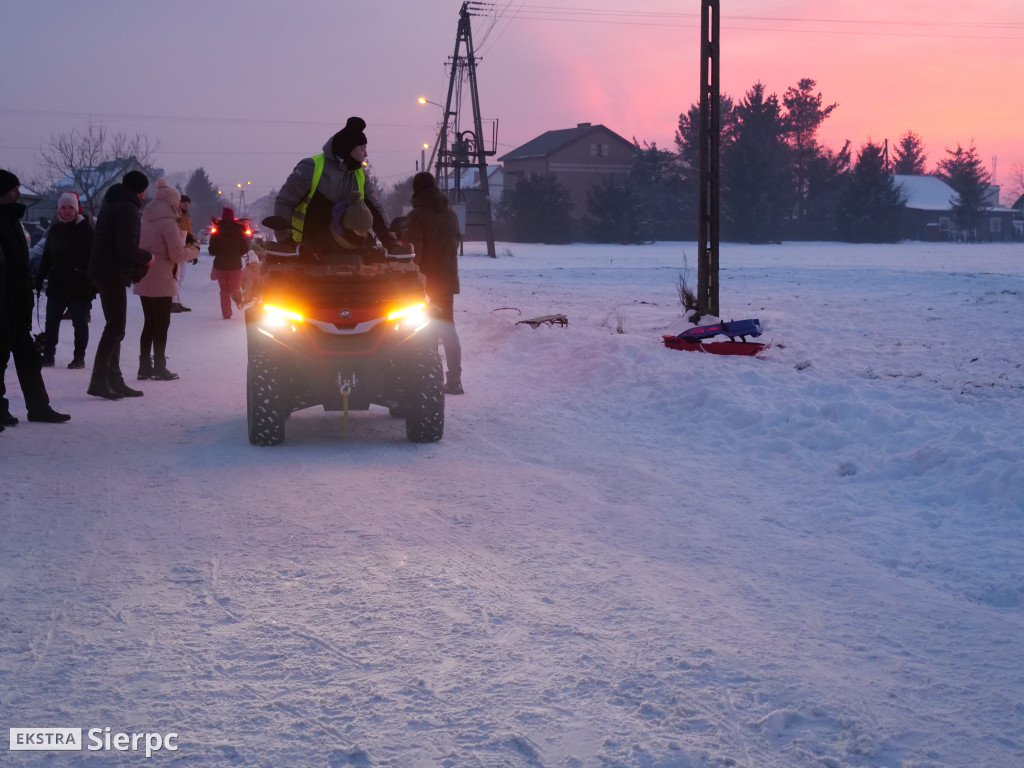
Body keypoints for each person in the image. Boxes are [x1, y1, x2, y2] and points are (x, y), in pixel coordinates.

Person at [0, 169, 71, 424]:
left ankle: (39, 407)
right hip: (4, 307)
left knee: (29, 359)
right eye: (13, 189)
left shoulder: (13, 220)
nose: (18, 193)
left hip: (17, 305)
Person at [273, 116, 396, 251]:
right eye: (362, 149)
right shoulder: (311, 168)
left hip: (352, 250)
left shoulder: (359, 175)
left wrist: (389, 239)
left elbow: (375, 208)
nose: (366, 154)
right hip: (307, 251)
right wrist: (285, 240)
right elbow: (284, 202)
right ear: (348, 149)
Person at [87, 170, 153, 400]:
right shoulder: (128, 209)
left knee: (115, 327)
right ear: (142, 190)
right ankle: (99, 380)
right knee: (115, 327)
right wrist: (147, 257)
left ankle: (114, 380)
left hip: (103, 270)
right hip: (110, 272)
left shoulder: (112, 204)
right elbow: (126, 248)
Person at [405, 171, 464, 395]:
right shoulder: (450, 214)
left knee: (423, 330)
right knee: (448, 328)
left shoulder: (416, 216)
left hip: (424, 283)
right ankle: (455, 379)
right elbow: (454, 246)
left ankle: (429, 378)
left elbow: (413, 254)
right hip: (447, 279)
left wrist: (410, 279)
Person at [135, 179, 199, 381]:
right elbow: (177, 255)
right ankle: (160, 366)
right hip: (162, 278)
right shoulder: (169, 223)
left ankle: (144, 366)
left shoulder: (146, 220)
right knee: (161, 325)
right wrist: (194, 250)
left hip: (144, 276)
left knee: (149, 323)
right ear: (173, 203)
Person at [34, 191, 96, 369]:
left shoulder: (86, 229)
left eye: (71, 207)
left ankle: (79, 357)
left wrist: (91, 280)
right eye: (63, 207)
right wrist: (39, 278)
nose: (67, 211)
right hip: (58, 282)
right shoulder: (55, 229)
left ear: (77, 209)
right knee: (51, 320)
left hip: (80, 283)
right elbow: (47, 256)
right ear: (59, 209)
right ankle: (48, 354)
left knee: (79, 322)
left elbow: (94, 257)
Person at [207, 208, 250, 319]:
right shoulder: (239, 232)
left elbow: (212, 250)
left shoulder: (217, 232)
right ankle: (239, 300)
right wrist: (236, 253)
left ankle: (226, 313)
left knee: (224, 290)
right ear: (233, 217)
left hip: (220, 265)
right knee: (235, 287)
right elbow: (245, 248)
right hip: (235, 265)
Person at [171, 194, 195, 313]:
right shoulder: (177, 215)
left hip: (185, 250)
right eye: (184, 202)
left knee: (180, 278)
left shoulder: (187, 217)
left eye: (188, 202)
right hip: (178, 249)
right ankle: (172, 301)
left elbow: (189, 233)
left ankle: (177, 301)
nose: (187, 204)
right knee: (175, 276)